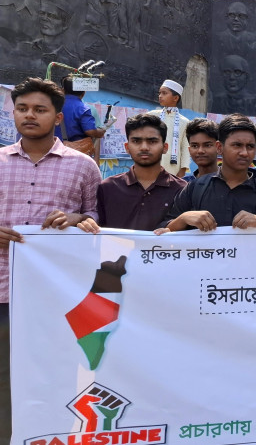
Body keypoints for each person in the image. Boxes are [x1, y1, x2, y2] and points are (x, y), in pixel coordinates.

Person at [0, 77, 102, 441]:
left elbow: (96, 220)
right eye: (23, 108)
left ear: (57, 117)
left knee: (57, 376)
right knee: (3, 378)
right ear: (13, 113)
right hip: (3, 292)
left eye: (40, 109)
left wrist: (77, 219)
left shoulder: (83, 167)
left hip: (56, 295)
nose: (30, 115)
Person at [157, 114, 256, 232]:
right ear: (219, 147)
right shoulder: (195, 188)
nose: (244, 153)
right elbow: (163, 230)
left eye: (250, 146)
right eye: (237, 145)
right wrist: (183, 219)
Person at [76, 114, 187, 232]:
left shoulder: (181, 190)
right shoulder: (108, 188)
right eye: (136, 141)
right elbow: (97, 228)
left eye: (152, 141)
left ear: (165, 147)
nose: (144, 147)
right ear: (127, 147)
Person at [56, 75, 109, 164]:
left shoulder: (54, 107)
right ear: (83, 93)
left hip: (56, 151)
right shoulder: (83, 108)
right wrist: (100, 132)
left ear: (63, 91)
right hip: (77, 156)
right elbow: (90, 131)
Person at [147, 79, 191, 178]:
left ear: (175, 98)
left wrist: (183, 169)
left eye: (164, 93)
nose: (160, 96)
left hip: (173, 168)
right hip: (151, 164)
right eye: (159, 93)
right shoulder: (151, 116)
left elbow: (185, 147)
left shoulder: (185, 122)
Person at [184, 118, 220, 182]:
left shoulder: (231, 183)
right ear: (189, 150)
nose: (200, 151)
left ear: (219, 148)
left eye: (207, 145)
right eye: (195, 146)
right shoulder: (183, 184)